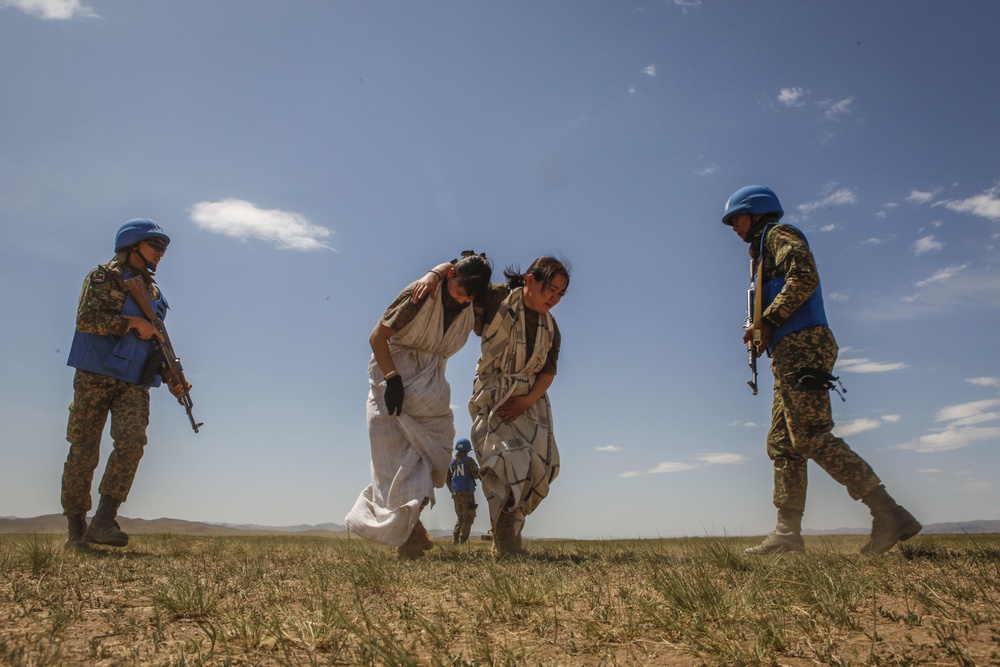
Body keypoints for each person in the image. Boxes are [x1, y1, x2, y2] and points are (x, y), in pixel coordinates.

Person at [722, 185, 921, 555]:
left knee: (810, 435)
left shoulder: (780, 234)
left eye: (737, 218)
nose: (734, 227)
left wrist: (767, 320)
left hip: (805, 344)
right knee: (783, 444)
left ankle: (888, 512)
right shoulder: (763, 251)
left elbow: (804, 277)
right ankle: (787, 534)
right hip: (788, 349)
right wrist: (767, 332)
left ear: (756, 213)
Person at [419, 256, 569, 557]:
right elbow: (463, 273)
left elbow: (548, 372)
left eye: (560, 293)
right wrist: (433, 276)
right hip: (494, 394)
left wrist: (526, 400)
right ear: (530, 281)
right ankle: (505, 538)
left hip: (531, 402)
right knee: (503, 457)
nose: (553, 298)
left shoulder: (551, 329)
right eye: (549, 289)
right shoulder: (496, 298)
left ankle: (509, 532)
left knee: (542, 466)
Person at [345, 253, 492, 559]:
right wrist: (393, 379)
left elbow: (473, 265)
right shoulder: (421, 295)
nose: (464, 301)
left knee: (430, 459)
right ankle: (409, 537)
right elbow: (377, 337)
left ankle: (410, 530)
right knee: (391, 467)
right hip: (391, 379)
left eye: (470, 297)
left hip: (430, 387)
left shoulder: (471, 301)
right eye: (461, 292)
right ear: (451, 277)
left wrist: (438, 272)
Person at [61, 219, 191, 549]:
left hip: (133, 381)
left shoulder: (153, 293)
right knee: (84, 450)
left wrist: (170, 375)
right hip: (95, 375)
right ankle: (76, 528)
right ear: (132, 245)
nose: (161, 254)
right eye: (155, 246)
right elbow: (86, 320)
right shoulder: (103, 277)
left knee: (132, 441)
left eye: (163, 249)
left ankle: (104, 519)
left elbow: (152, 343)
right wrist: (131, 322)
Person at [446, 437, 480, 544]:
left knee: (460, 517)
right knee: (468, 517)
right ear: (467, 450)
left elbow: (447, 479)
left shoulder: (451, 463)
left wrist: (453, 490)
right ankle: (463, 540)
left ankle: (455, 539)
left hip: (456, 493)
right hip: (467, 493)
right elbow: (475, 475)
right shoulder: (469, 461)